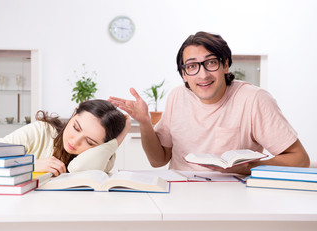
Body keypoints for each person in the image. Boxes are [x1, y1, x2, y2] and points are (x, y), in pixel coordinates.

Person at [108, 31, 310, 175]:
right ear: (184, 74)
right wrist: (144, 122)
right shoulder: (177, 96)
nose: (203, 74)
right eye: (192, 66)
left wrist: (249, 166)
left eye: (211, 62)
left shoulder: (254, 99)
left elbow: (300, 160)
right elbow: (158, 160)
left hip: (235, 195)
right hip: (181, 192)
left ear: (226, 65)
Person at [0, 99, 131, 176]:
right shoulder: (40, 131)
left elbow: (78, 169)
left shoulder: (102, 156)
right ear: (74, 113)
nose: (75, 141)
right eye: (76, 128)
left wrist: (122, 135)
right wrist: (30, 165)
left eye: (89, 142)